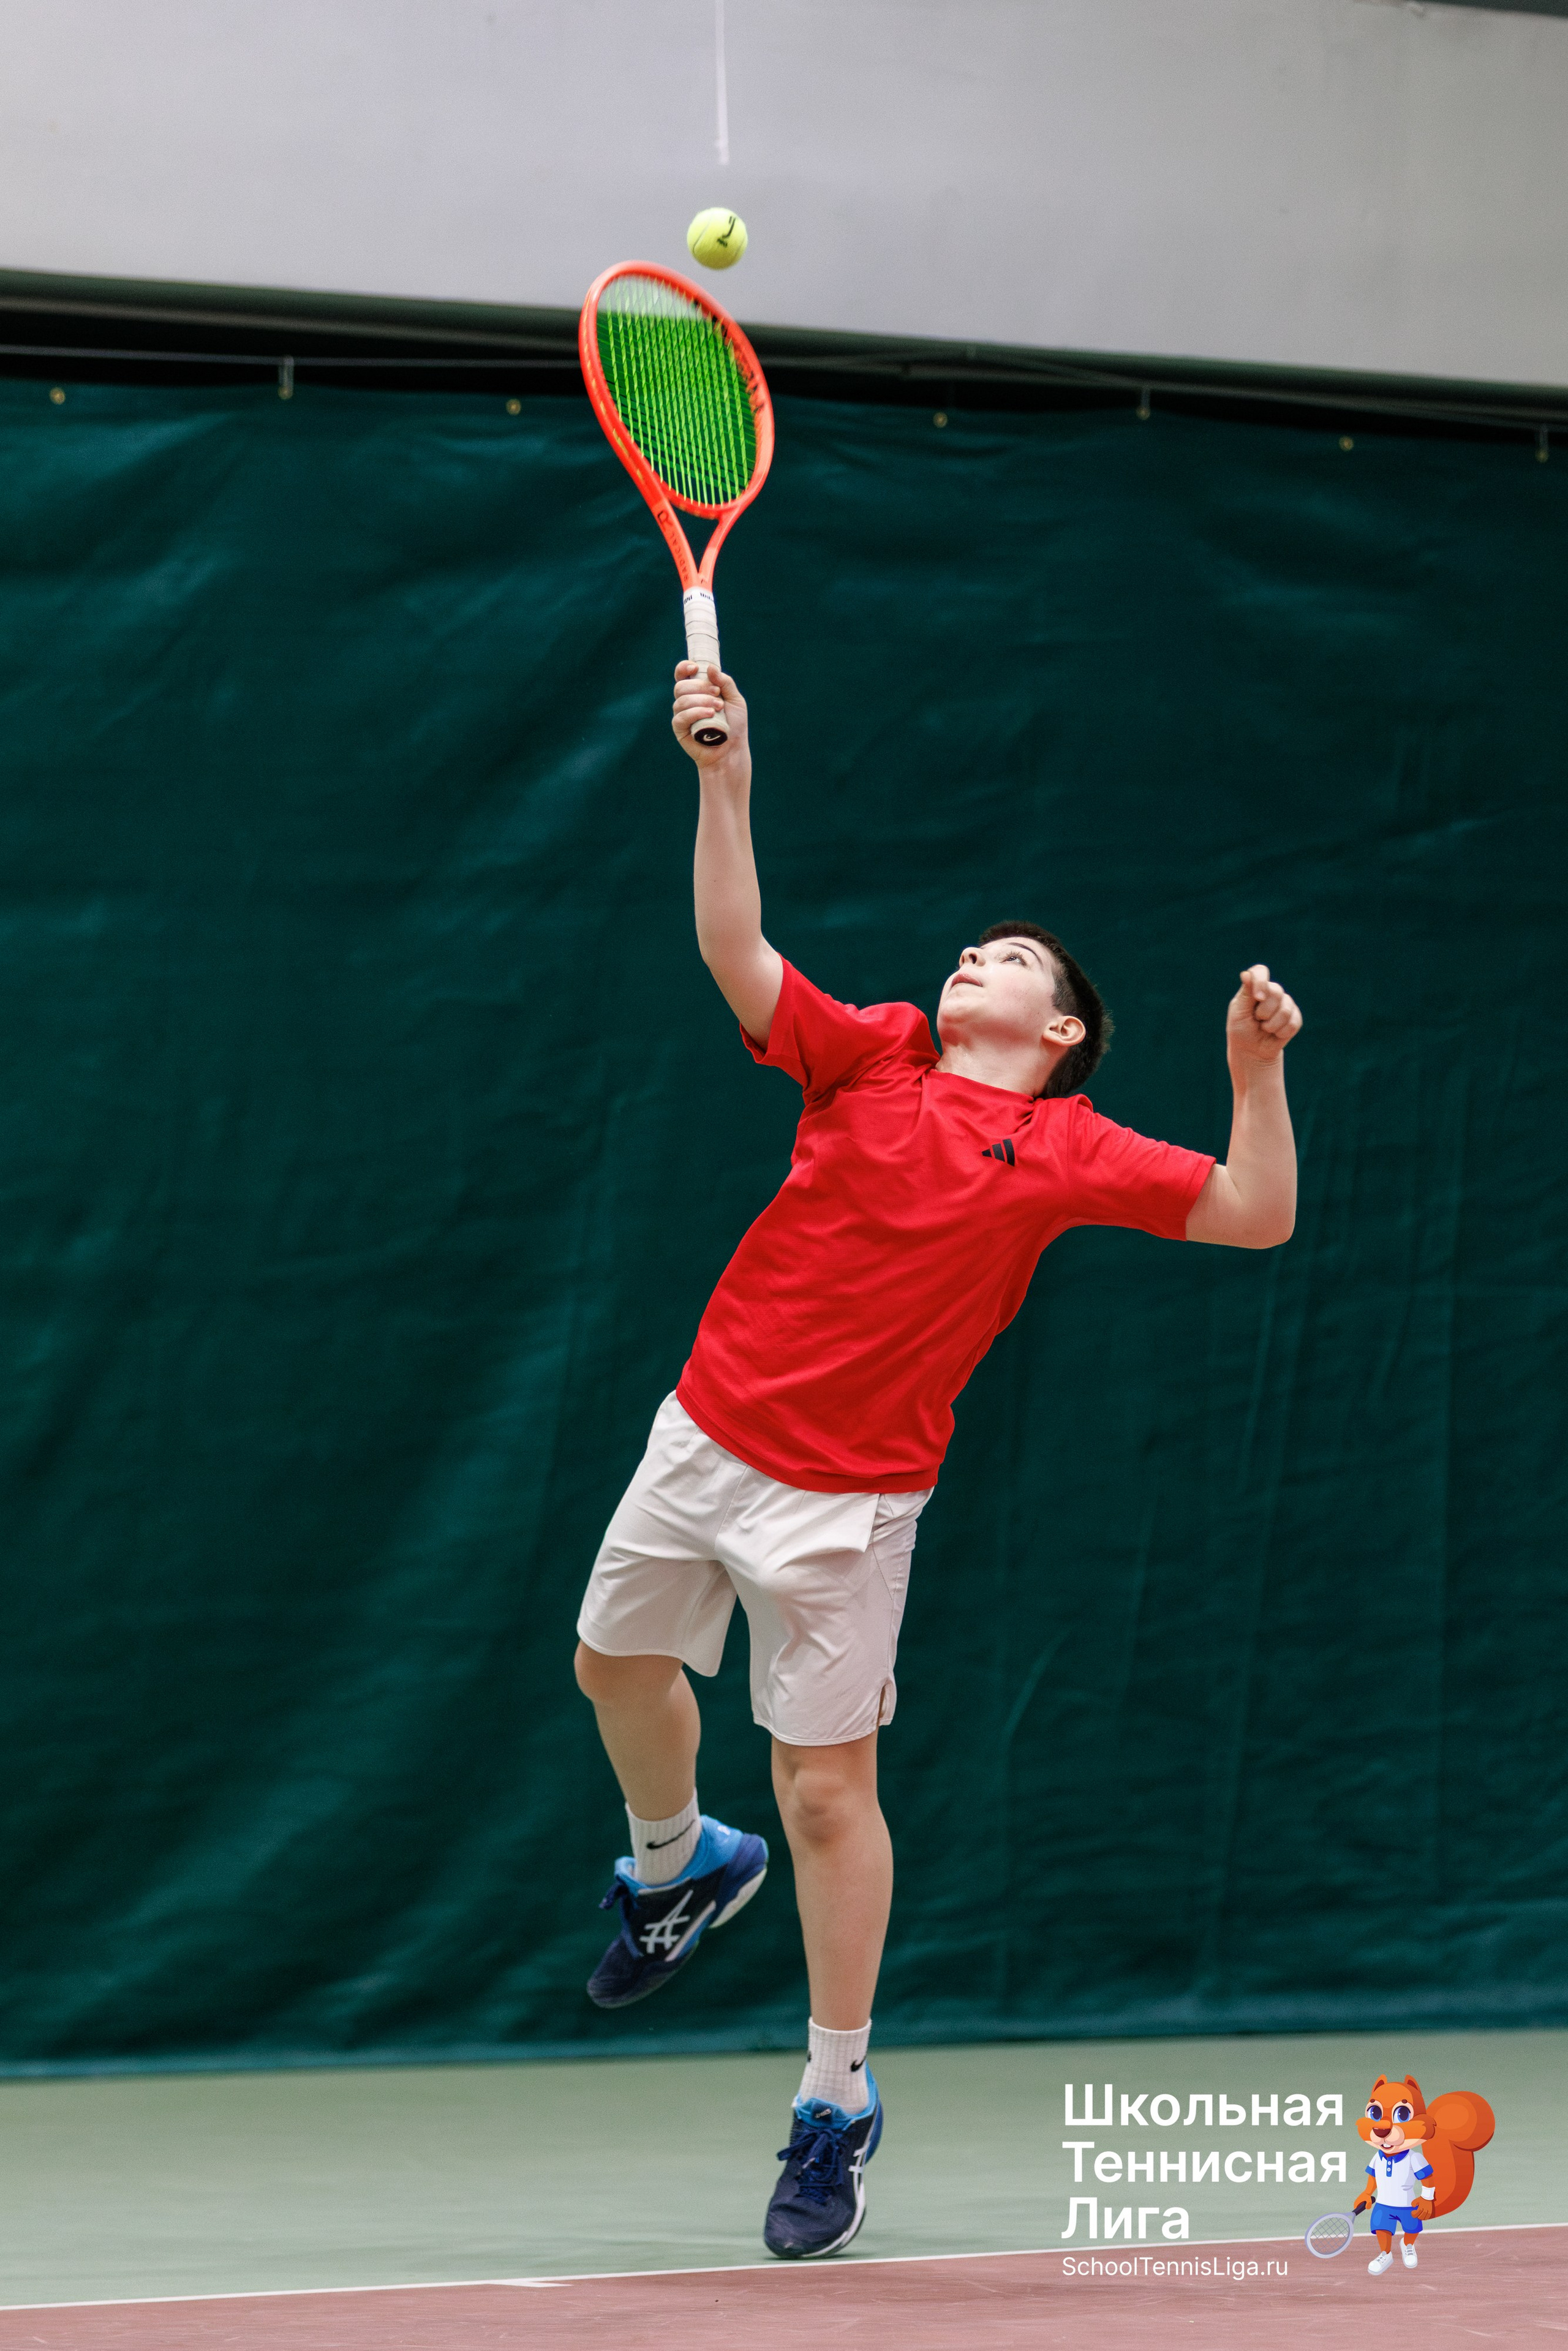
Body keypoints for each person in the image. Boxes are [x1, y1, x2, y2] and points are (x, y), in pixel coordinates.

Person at [573, 660, 1303, 2261]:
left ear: (1060, 1030)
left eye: (1013, 959)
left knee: (829, 1799)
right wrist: (726, 776)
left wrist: (1256, 1080)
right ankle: (674, 1862)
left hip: (850, 1504)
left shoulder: (1070, 1148)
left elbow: (1257, 1213)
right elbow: (730, 947)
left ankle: (835, 2101)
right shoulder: (873, 1056)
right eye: (975, 947)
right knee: (613, 1666)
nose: (975, 955)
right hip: (704, 1433)